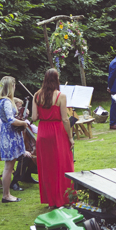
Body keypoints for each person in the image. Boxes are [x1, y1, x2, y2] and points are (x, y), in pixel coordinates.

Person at [30, 69, 74, 208]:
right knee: (61, 165)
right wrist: (70, 137)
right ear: (56, 79)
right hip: (57, 132)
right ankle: (63, 198)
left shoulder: (37, 95)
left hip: (43, 132)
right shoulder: (61, 96)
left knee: (47, 167)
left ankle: (51, 201)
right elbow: (65, 119)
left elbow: (34, 118)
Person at [0, 76, 29, 203]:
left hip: (6, 134)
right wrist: (23, 123)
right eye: (13, 85)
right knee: (9, 167)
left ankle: (7, 194)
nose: (15, 87)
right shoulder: (7, 101)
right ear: (10, 87)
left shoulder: (0, 101)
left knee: (8, 166)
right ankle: (6, 195)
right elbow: (11, 119)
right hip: (10, 136)